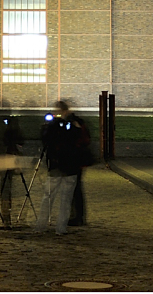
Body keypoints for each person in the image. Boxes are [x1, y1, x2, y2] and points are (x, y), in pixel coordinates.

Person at [32, 100, 85, 235]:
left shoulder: (59, 125)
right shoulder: (73, 124)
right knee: (64, 199)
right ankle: (59, 228)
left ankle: (42, 225)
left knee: (50, 197)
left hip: (59, 164)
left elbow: (46, 140)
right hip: (69, 165)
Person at [0, 113, 24, 229]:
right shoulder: (10, 125)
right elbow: (19, 140)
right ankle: (6, 220)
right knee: (5, 192)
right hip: (6, 159)